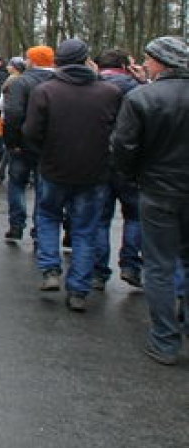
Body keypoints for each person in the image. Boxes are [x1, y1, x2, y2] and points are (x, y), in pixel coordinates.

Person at [22, 38, 122, 312]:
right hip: (94, 173)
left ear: (58, 62)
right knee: (85, 230)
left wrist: (44, 153)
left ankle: (50, 270)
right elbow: (119, 133)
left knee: (48, 217)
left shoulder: (45, 91)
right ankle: (79, 289)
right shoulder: (110, 92)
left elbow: (31, 132)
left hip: (53, 168)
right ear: (86, 60)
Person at [110, 35, 189, 365]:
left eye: (149, 58)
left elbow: (124, 146)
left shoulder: (142, 97)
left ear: (161, 62)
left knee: (158, 265)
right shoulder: (142, 96)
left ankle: (165, 340)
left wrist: (130, 178)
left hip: (157, 190)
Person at [93, 48, 143, 290]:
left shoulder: (92, 87)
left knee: (100, 218)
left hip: (99, 159)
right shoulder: (139, 89)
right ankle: (131, 265)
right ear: (125, 65)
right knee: (134, 216)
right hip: (132, 162)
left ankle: (99, 272)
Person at [1, 45, 55, 244]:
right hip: (49, 145)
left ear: (32, 60)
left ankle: (16, 225)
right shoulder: (59, 82)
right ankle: (39, 230)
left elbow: (13, 113)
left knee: (16, 183)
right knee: (43, 187)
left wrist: (12, 141)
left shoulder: (21, 82)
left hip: (22, 144)